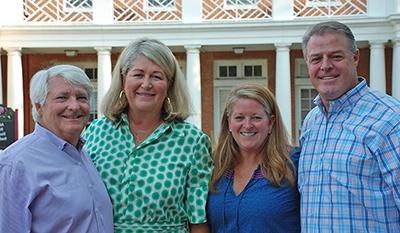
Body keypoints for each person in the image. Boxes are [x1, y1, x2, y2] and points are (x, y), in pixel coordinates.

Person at [83, 38, 213, 232]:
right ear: (123, 78)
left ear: (169, 85)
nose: (146, 84)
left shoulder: (192, 141)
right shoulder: (96, 132)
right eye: (138, 74)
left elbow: (198, 219)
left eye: (156, 76)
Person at [298, 20, 400, 232]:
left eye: (336, 56)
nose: (325, 66)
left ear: (355, 58)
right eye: (316, 58)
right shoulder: (311, 122)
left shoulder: (390, 119)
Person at [0, 64, 113, 233]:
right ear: (39, 107)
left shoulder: (84, 155)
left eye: (81, 98)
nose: (74, 106)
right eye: (62, 98)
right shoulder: (16, 164)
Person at [207, 84, 300, 233]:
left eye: (256, 118)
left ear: (271, 123)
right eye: (239, 117)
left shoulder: (293, 163)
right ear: (229, 122)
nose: (247, 125)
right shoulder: (214, 166)